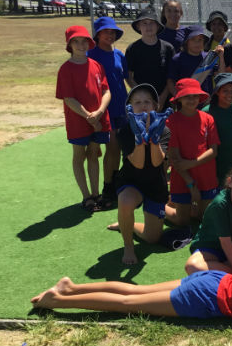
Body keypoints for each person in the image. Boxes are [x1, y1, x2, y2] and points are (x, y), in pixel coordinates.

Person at [31, 219, 232, 321]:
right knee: (129, 303)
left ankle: (70, 288)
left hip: (215, 280)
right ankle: (58, 300)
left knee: (135, 293)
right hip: (206, 296)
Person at [106, 84, 171, 265]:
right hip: (132, 181)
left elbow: (157, 162)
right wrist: (139, 138)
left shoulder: (163, 129)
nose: (143, 106)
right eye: (137, 102)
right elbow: (139, 163)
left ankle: (127, 225)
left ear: (155, 106)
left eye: (147, 102)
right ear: (130, 108)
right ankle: (128, 245)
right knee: (125, 201)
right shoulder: (125, 130)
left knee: (152, 238)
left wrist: (154, 139)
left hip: (155, 184)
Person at [56, 25, 111, 212]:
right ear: (70, 45)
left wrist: (99, 112)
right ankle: (86, 196)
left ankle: (96, 194)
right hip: (78, 121)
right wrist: (89, 116)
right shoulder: (66, 69)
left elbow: (106, 91)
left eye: (84, 41)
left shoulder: (96, 65)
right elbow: (68, 98)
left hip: (98, 118)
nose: (81, 45)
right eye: (76, 42)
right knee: (79, 156)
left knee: (94, 154)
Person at [165, 78, 219, 226]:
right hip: (183, 178)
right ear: (179, 99)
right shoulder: (171, 121)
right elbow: (175, 158)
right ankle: (161, 207)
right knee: (182, 221)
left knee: (204, 218)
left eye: (195, 96)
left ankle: (181, 204)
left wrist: (191, 163)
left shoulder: (208, 119)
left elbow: (213, 150)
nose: (192, 100)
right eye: (187, 96)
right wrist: (191, 185)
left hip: (206, 177)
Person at [88, 16, 128, 210]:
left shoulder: (119, 54)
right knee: (112, 148)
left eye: (112, 32)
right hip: (104, 109)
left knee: (121, 148)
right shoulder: (91, 55)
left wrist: (143, 94)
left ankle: (117, 183)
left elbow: (127, 78)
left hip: (123, 107)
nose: (110, 35)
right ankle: (107, 188)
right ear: (97, 34)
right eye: (106, 32)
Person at [203, 73, 232, 188]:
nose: (230, 95)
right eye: (225, 91)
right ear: (217, 92)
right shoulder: (206, 112)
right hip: (214, 167)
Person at [125, 8, 175, 110]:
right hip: (142, 102)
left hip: (164, 99)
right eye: (144, 23)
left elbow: (171, 77)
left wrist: (162, 97)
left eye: (152, 23)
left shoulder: (168, 48)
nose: (148, 26)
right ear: (138, 26)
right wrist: (143, 97)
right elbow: (129, 77)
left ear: (157, 26)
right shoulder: (133, 49)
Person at [167, 25, 217, 96]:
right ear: (186, 42)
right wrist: (178, 97)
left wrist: (221, 56)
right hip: (185, 99)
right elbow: (170, 81)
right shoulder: (178, 59)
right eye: (193, 39)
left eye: (200, 40)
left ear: (204, 41)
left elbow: (219, 76)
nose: (197, 43)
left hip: (206, 100)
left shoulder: (209, 57)